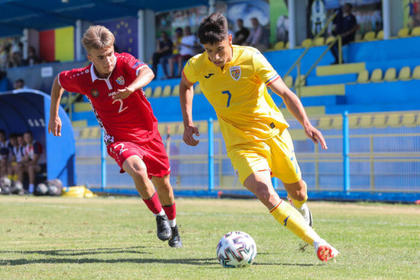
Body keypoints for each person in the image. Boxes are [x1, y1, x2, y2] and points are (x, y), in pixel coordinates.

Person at [179, 13, 339, 262]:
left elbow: (285, 92)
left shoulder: (251, 58)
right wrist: (188, 122)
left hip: (272, 133)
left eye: (219, 49)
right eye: (209, 51)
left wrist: (306, 124)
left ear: (229, 40)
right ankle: (317, 242)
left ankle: (301, 208)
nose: (215, 57)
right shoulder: (197, 65)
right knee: (265, 192)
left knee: (297, 190)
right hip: (240, 143)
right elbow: (185, 85)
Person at [48, 25, 182, 248]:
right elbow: (58, 82)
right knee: (138, 171)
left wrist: (131, 88)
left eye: (110, 54)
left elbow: (148, 72)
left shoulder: (124, 62)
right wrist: (54, 116)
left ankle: (174, 226)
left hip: (148, 133)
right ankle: (159, 216)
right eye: (101, 57)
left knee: (164, 184)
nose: (108, 60)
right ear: (90, 57)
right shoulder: (82, 78)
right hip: (118, 138)